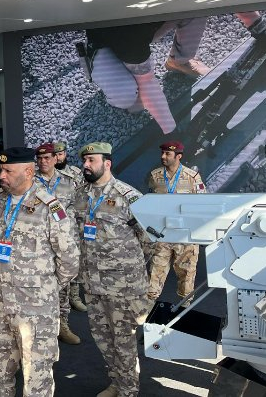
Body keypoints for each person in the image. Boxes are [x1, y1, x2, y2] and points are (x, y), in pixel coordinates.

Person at [0, 147, 79, 397]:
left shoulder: (50, 206)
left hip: (36, 311)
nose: (1, 175)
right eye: (1, 169)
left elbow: (69, 260)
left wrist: (43, 289)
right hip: (0, 307)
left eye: (7, 170)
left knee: (36, 381)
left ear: (28, 171)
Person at [72, 142, 151, 397]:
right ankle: (116, 383)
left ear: (107, 163)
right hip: (92, 282)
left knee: (123, 342)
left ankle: (129, 391)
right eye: (84, 160)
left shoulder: (128, 196)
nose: (85, 165)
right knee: (103, 339)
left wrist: (129, 268)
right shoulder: (79, 195)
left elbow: (149, 240)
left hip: (122, 286)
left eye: (91, 160)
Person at [81, 18, 209, 134]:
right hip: (107, 41)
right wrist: (171, 131)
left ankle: (178, 61)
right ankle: (96, 60)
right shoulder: (128, 30)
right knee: (129, 98)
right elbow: (147, 81)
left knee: (194, 11)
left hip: (139, 29)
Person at [146, 141, 207, 306]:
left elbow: (203, 203)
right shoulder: (155, 176)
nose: (163, 156)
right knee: (155, 273)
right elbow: (149, 202)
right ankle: (146, 310)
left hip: (184, 235)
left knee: (187, 275)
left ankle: (185, 309)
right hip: (162, 234)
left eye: (168, 154)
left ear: (178, 156)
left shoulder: (192, 177)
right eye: (162, 153)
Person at [35, 143, 84, 345]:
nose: (43, 162)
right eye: (40, 158)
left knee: (63, 284)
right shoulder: (31, 182)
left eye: (47, 158)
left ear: (56, 158)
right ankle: (41, 328)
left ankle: (62, 325)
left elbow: (79, 208)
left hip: (64, 239)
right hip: (39, 243)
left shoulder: (69, 181)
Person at [53, 141, 87, 315]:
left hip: (71, 224)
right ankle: (58, 301)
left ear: (65, 154)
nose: (58, 157)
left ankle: (74, 296)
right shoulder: (42, 176)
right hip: (52, 227)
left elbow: (81, 197)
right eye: (55, 155)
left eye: (61, 154)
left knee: (74, 260)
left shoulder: (75, 173)